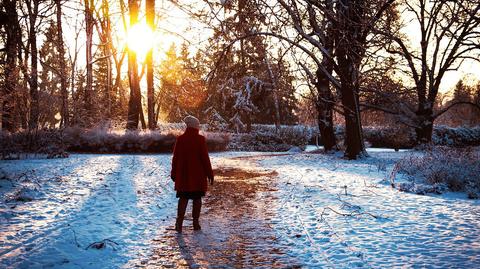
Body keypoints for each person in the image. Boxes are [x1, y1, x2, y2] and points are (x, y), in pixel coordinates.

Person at [171, 115, 214, 233]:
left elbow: (175, 158)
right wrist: (210, 173)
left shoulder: (180, 139)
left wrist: (174, 173)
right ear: (195, 126)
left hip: (183, 175)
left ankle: (179, 223)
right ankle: (195, 223)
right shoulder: (200, 139)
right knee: (197, 199)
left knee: (183, 198)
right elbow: (205, 158)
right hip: (198, 176)